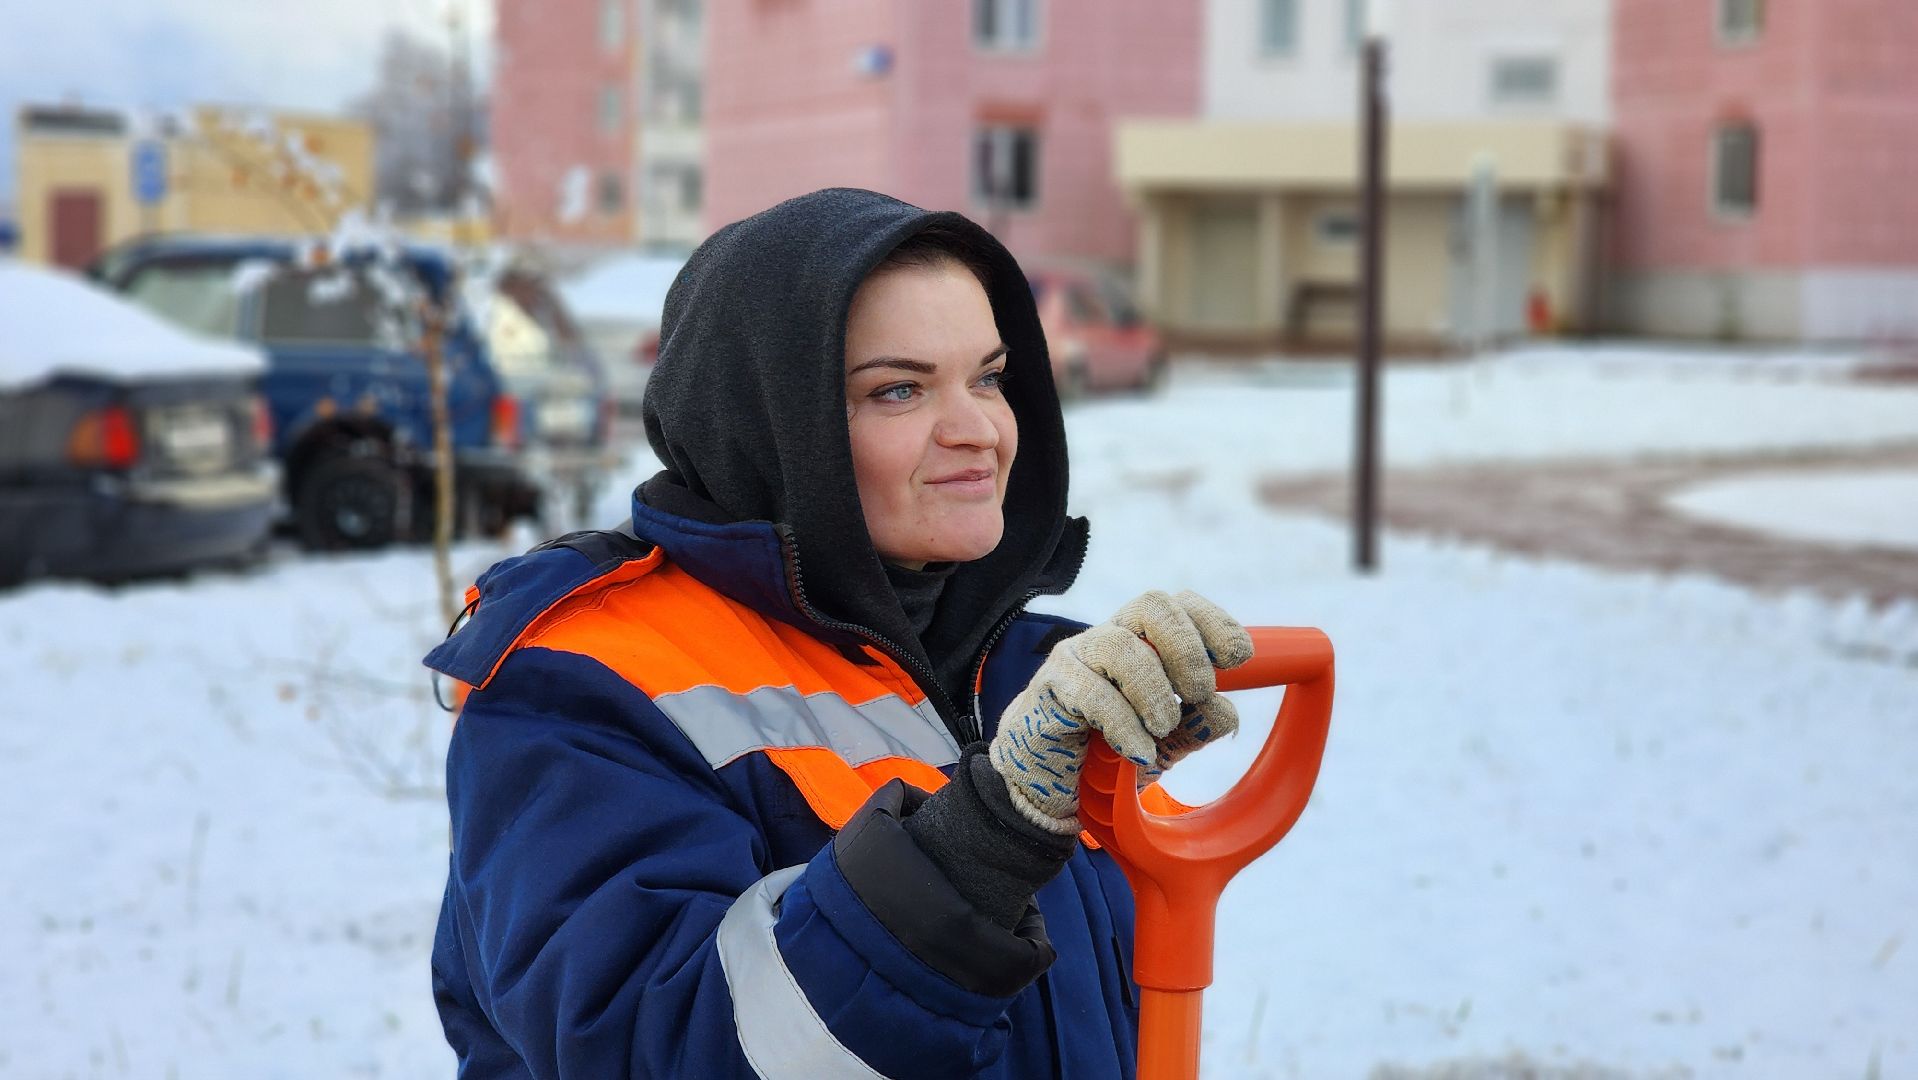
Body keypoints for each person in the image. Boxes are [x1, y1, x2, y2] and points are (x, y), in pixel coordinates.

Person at [424, 187, 1253, 1078]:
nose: (978, 431)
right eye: (898, 390)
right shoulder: (582, 683)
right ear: (772, 426)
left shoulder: (1026, 672)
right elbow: (668, 1046)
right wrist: (978, 843)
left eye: (989, 376)